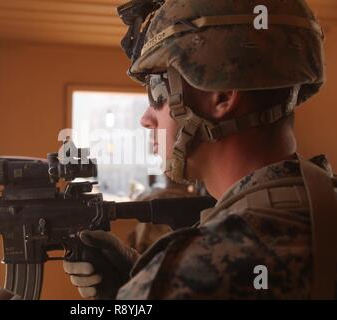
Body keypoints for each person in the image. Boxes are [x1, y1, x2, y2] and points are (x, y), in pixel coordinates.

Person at [63, 0, 337, 299]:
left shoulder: (199, 268)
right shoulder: (314, 214)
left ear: (222, 94)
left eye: (157, 90)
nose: (146, 117)